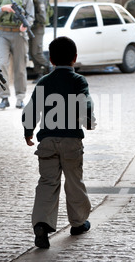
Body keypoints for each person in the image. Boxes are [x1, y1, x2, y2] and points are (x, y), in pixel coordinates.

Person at [22, 37, 96, 248]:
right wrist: (89, 121)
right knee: (74, 182)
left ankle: (42, 226)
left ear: (51, 59)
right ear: (75, 58)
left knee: (47, 183)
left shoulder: (44, 82)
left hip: (47, 141)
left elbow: (31, 109)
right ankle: (78, 222)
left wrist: (28, 131)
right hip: (71, 141)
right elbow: (85, 102)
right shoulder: (78, 81)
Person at [26, 0, 50, 84]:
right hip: (31, 28)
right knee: (32, 52)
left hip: (38, 28)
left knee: (37, 52)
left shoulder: (39, 0)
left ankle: (49, 68)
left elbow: (42, 18)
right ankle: (40, 74)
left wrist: (32, 18)